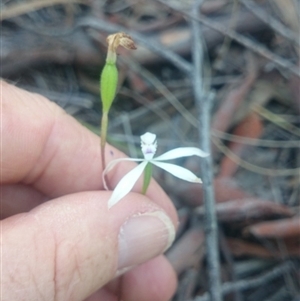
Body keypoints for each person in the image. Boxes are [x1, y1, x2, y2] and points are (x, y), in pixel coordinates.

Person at [1, 80, 178, 301]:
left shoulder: (132, 167)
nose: (148, 147)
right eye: (147, 145)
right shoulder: (118, 168)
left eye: (150, 145)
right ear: (145, 147)